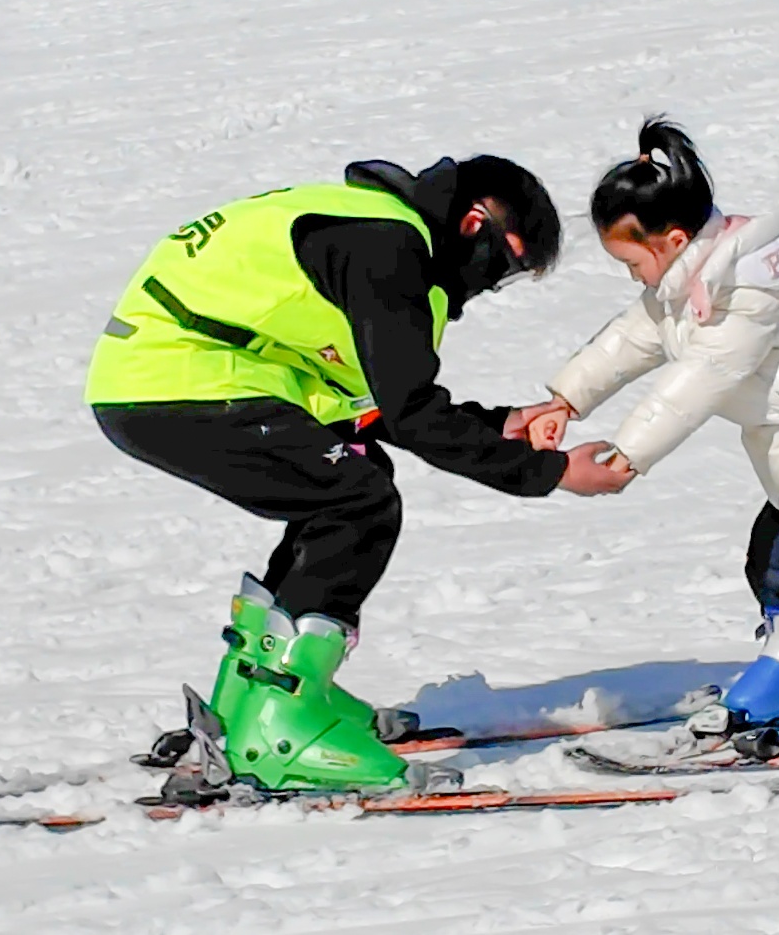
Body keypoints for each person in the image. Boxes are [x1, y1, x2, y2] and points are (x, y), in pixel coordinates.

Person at [86, 154, 632, 794]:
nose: (487, 286)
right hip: (179, 380)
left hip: (168, 377)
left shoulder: (372, 227)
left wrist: (501, 424)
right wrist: (550, 471)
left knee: (347, 479)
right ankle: (282, 726)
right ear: (474, 224)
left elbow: (380, 408)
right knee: (358, 501)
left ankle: (248, 704)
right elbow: (409, 409)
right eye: (504, 267)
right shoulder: (389, 246)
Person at [529, 118, 779, 747]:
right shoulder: (687, 283)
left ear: (670, 240)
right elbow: (632, 337)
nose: (632, 275)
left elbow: (703, 376)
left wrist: (630, 453)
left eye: (631, 261)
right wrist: (566, 397)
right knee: (774, 560)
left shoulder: (751, 288)